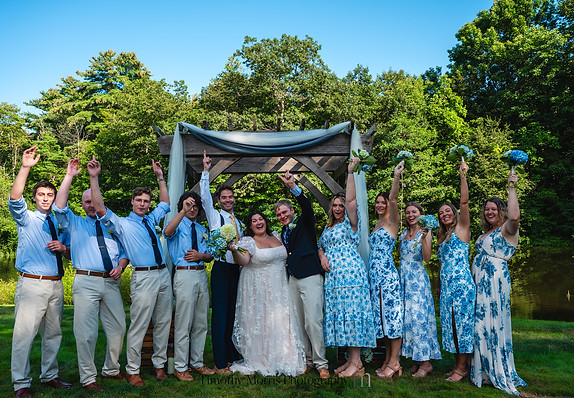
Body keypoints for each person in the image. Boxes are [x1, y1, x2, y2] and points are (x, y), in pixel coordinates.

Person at [88, 155, 172, 387]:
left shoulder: (152, 218)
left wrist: (160, 178)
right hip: (144, 276)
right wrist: (94, 178)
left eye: (146, 201)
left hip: (163, 274)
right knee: (139, 324)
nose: (143, 204)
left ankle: (159, 365)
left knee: (163, 321)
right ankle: (133, 370)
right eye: (139, 200)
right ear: (132, 202)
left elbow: (165, 203)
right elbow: (100, 208)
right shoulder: (123, 224)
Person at [53, 158, 129, 392]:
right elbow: (59, 207)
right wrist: (70, 176)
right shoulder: (74, 223)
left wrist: (122, 266)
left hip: (111, 282)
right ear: (83, 204)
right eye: (86, 202)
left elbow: (125, 251)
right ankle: (88, 378)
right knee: (86, 333)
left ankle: (111, 369)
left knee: (118, 328)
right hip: (86, 281)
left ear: (100, 201)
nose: (90, 205)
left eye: (93, 201)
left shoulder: (112, 223)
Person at [9, 146, 72, 397]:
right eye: (41, 195)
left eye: (49, 194)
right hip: (33, 285)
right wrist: (25, 167)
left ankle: (50, 375)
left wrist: (64, 247)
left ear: (55, 197)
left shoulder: (60, 222)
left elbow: (69, 254)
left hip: (56, 285)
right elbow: (15, 198)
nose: (45, 198)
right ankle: (21, 384)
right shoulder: (26, 219)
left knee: (53, 334)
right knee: (24, 336)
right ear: (35, 198)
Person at [317, 158, 376, 378]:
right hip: (335, 279)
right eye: (335, 205)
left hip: (350, 275)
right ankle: (351, 360)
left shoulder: (349, 223)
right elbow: (320, 246)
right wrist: (322, 255)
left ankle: (357, 362)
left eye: (341, 206)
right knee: (342, 315)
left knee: (352, 315)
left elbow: (351, 200)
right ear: (331, 208)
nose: (339, 208)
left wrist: (350, 172)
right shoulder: (328, 227)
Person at [229, 211, 306, 376]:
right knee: (262, 321)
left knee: (281, 320)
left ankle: (284, 355)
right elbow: (244, 261)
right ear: (250, 226)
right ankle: (262, 357)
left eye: (260, 219)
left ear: (265, 221)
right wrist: (235, 251)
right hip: (258, 288)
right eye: (254, 220)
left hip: (280, 287)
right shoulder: (248, 241)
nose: (258, 222)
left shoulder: (277, 235)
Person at [470, 171, 527, 395]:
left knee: (492, 324)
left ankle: (496, 369)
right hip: (479, 283)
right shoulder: (487, 232)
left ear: (500, 211)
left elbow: (514, 218)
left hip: (494, 283)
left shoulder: (507, 229)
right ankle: (482, 370)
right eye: (486, 209)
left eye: (493, 208)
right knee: (479, 326)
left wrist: (511, 187)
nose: (489, 211)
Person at [275, 171, 329, 379]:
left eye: (284, 212)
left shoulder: (305, 222)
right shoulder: (283, 232)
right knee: (299, 323)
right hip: (293, 280)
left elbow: (307, 206)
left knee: (313, 320)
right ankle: (307, 361)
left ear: (292, 211)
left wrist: (293, 187)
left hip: (310, 276)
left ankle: (321, 363)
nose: (282, 216)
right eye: (279, 214)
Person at [164, 191, 215, 381]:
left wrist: (201, 256)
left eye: (194, 207)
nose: (192, 209)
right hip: (184, 275)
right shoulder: (177, 225)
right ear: (182, 206)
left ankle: (197, 362)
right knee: (184, 322)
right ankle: (180, 366)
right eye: (188, 205)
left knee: (201, 322)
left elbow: (210, 254)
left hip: (201, 274)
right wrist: (182, 212)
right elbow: (167, 232)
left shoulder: (202, 229)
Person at [200, 150, 242, 374]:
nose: (228, 200)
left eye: (230, 197)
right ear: (219, 201)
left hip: (237, 270)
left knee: (232, 314)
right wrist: (206, 171)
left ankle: (230, 354)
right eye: (224, 197)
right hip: (221, 269)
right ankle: (219, 362)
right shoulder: (215, 216)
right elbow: (204, 197)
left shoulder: (238, 221)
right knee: (219, 315)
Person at [436, 160, 476, 382]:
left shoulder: (462, 229)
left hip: (461, 286)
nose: (444, 214)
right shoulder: (443, 236)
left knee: (461, 325)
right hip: (447, 288)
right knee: (451, 325)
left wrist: (463, 176)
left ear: (453, 213)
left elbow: (464, 202)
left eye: (447, 211)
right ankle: (458, 364)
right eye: (441, 213)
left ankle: (462, 368)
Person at [368, 162, 405, 379]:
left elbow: (393, 199)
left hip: (387, 277)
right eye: (378, 202)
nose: (381, 205)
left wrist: (396, 176)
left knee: (392, 318)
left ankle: (394, 362)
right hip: (375, 278)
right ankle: (388, 360)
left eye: (383, 202)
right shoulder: (377, 224)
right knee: (383, 320)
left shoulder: (392, 222)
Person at [398, 202, 441, 377]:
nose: (410, 215)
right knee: (408, 318)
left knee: (419, 318)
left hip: (417, 279)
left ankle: (426, 363)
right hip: (403, 279)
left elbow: (427, 258)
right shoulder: (403, 233)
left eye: (414, 212)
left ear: (420, 214)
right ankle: (416, 358)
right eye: (407, 212)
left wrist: (423, 238)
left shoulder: (426, 232)